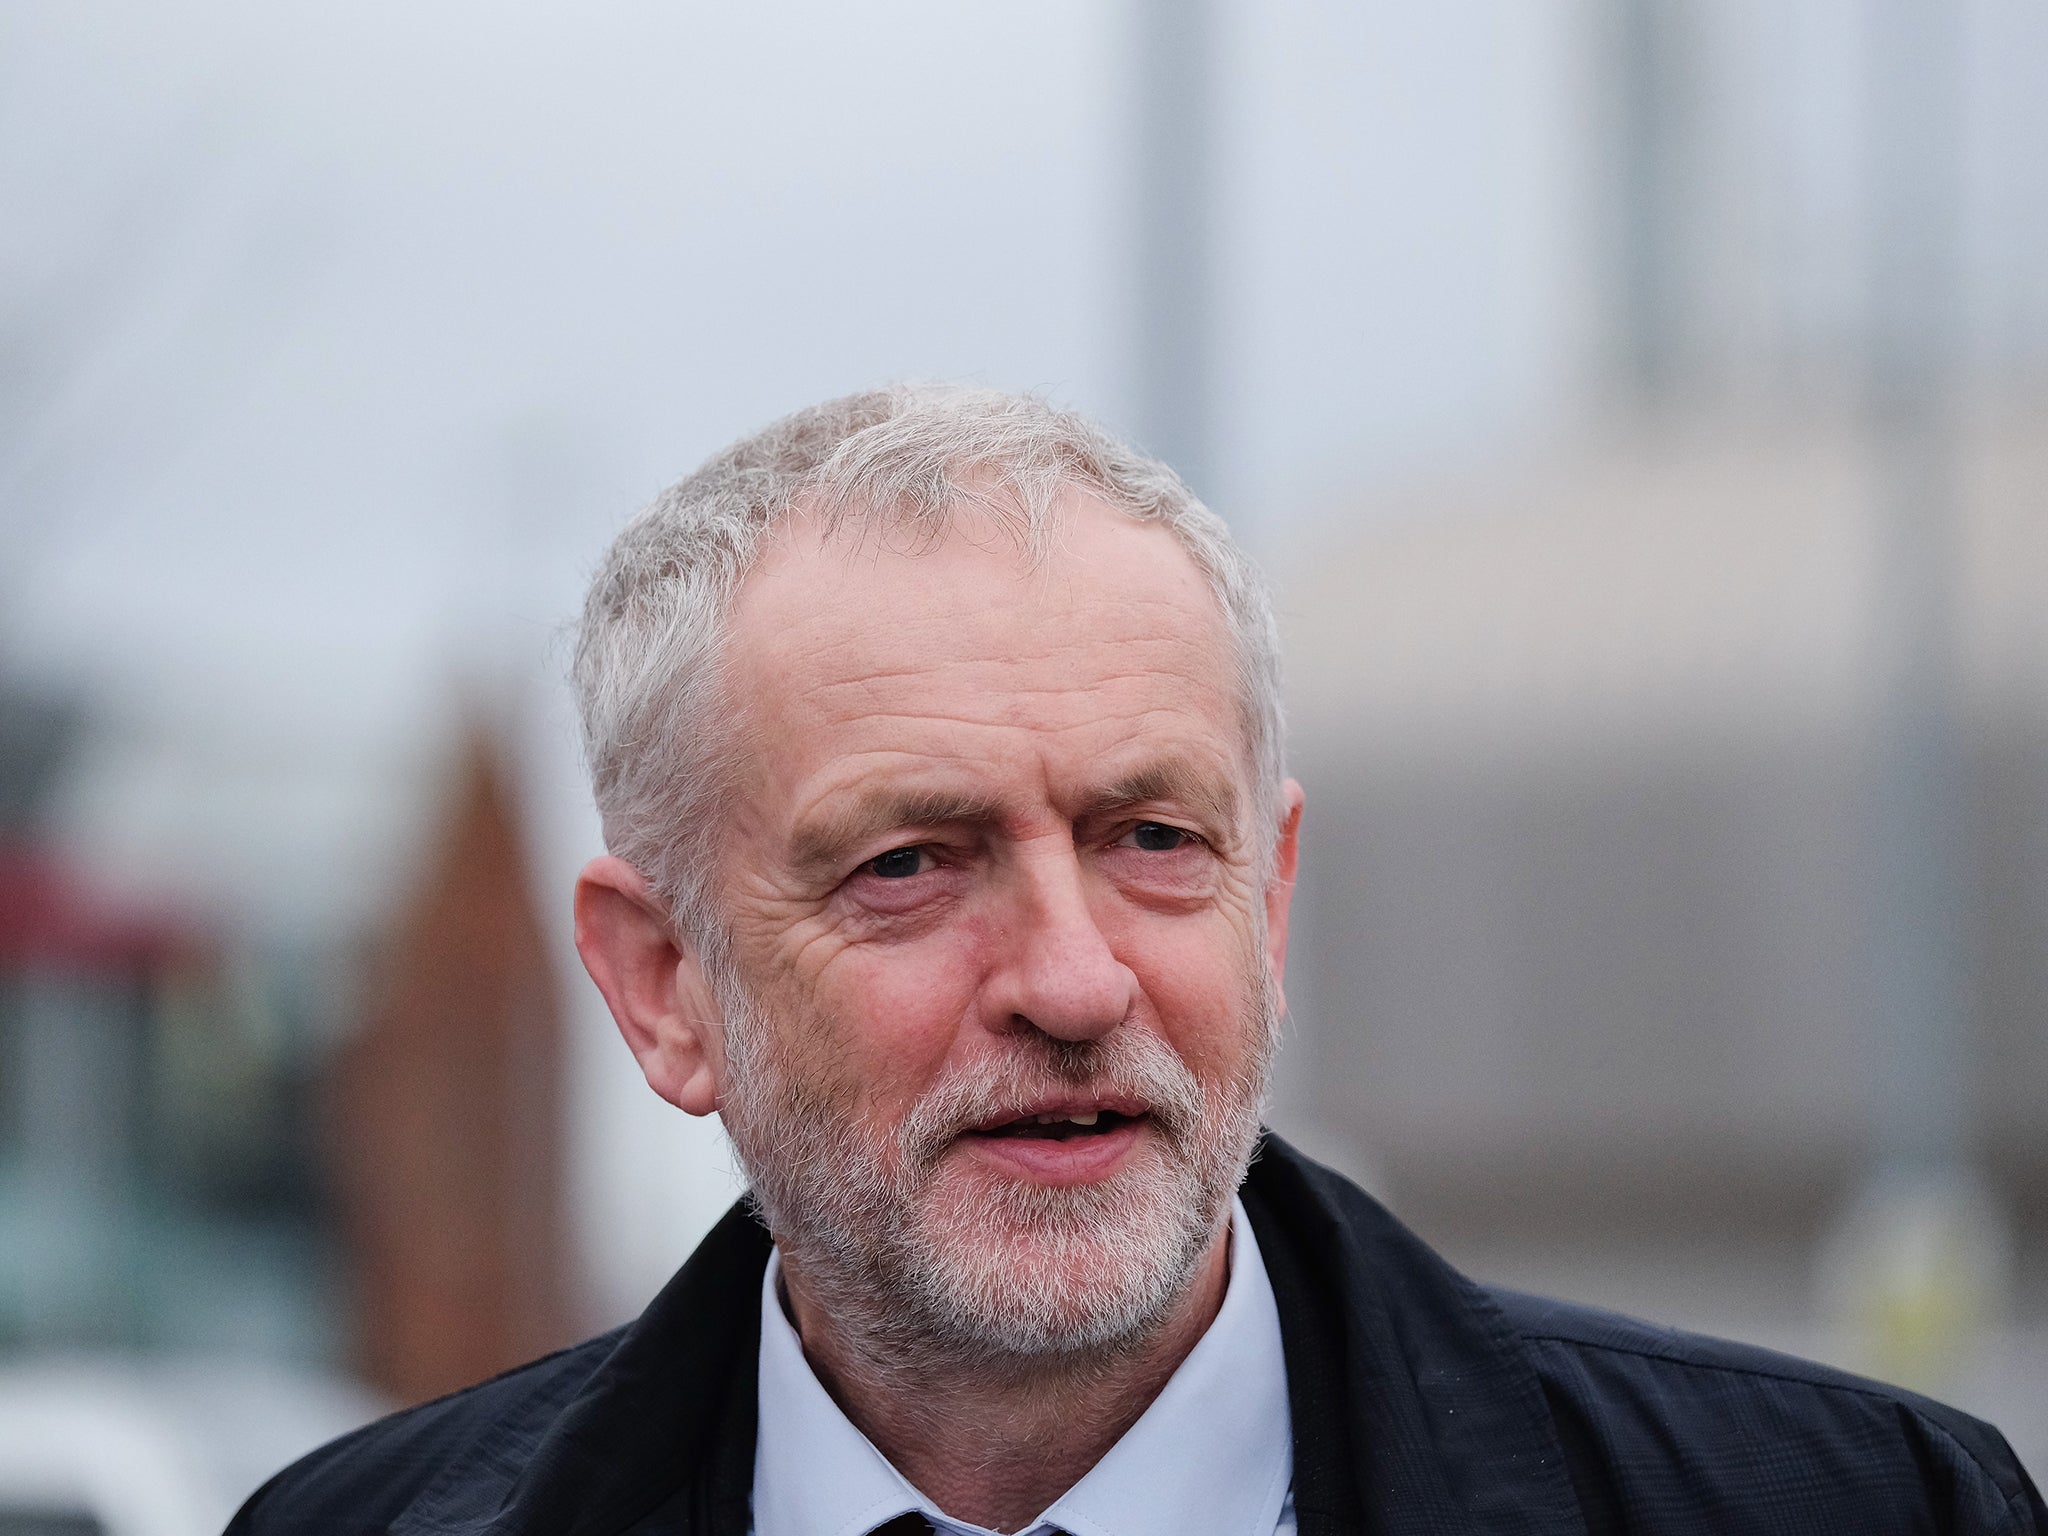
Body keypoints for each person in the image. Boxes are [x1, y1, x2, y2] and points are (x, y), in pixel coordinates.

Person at [230, 387, 2042, 1535]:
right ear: (662, 985)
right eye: (912, 865)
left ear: (1272, 897)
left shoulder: (1851, 1508)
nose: (1077, 980)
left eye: (1155, 842)